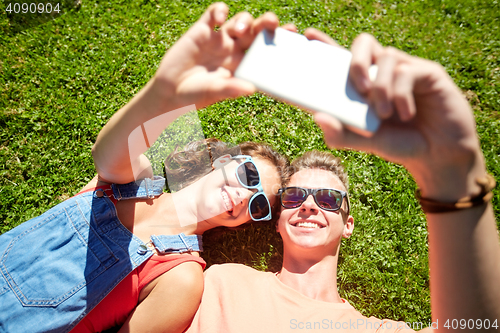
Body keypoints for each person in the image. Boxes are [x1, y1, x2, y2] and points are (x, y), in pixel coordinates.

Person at [184, 27, 500, 332]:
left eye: (327, 199)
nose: (308, 205)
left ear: (348, 224)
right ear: (278, 221)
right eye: (294, 197)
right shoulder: (220, 282)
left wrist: (452, 172)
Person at [0, 4, 289, 333]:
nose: (243, 196)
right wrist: (164, 93)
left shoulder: (182, 278)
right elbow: (108, 153)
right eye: (248, 175)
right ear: (223, 161)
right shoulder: (132, 181)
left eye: (258, 203)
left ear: (246, 222)